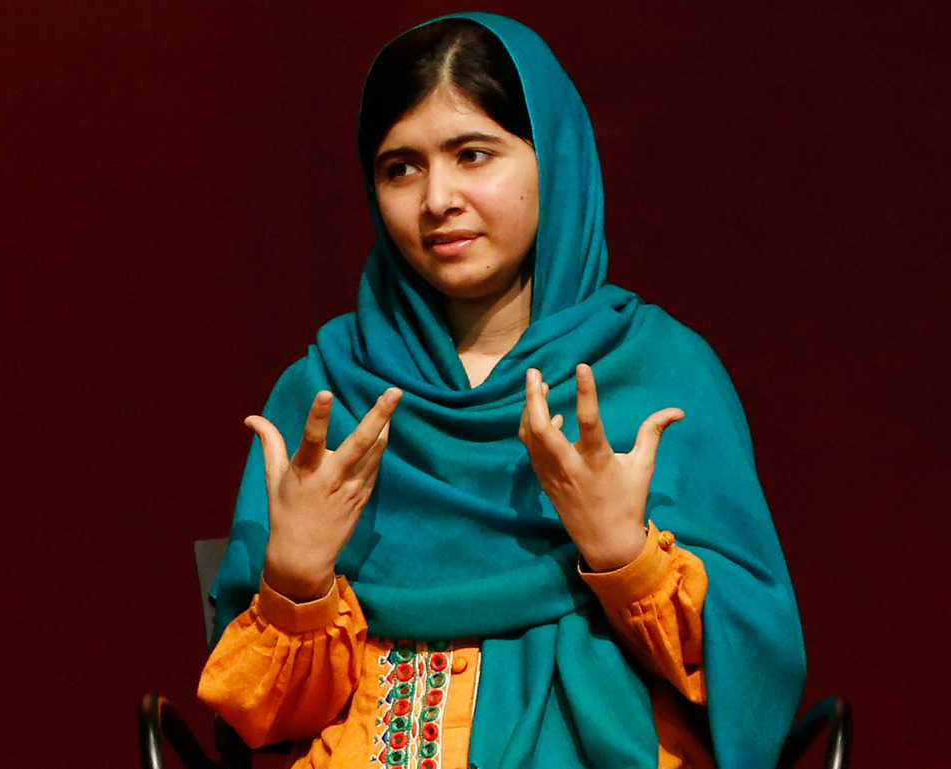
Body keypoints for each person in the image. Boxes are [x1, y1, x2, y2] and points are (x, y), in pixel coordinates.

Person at [198, 12, 805, 769]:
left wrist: (624, 553)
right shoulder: (325, 395)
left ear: (553, 159)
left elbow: (753, 668)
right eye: (401, 168)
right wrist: (295, 578)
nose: (437, 198)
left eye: (473, 154)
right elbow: (261, 719)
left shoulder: (657, 373)